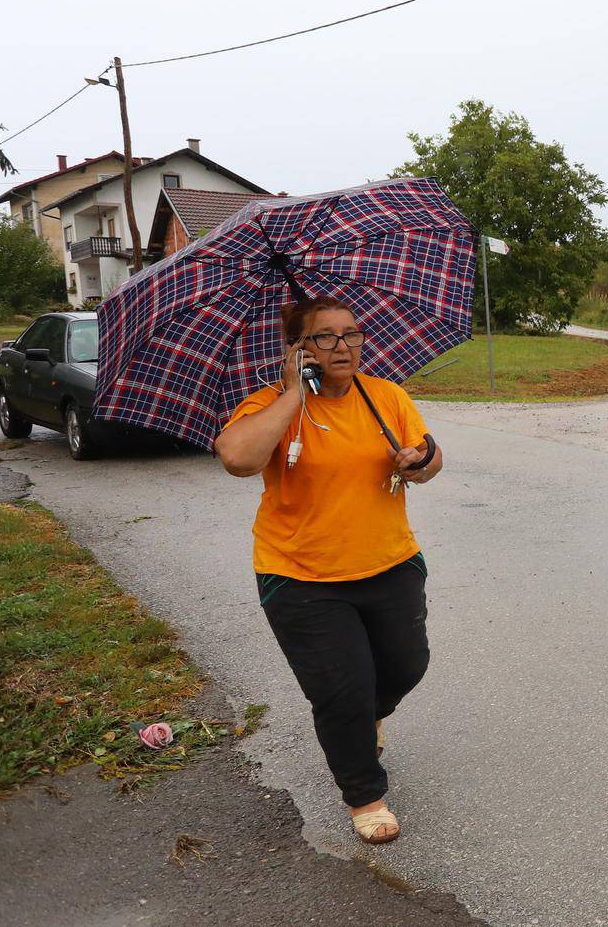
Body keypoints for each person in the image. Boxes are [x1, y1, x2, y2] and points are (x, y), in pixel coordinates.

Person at [216, 295, 444, 844]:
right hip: (301, 577)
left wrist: (419, 462)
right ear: (298, 349)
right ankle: (364, 794)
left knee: (408, 665)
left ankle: (368, 718)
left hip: (390, 563)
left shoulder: (384, 395)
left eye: (351, 333)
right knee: (342, 691)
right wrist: (294, 393)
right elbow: (238, 459)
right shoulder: (271, 403)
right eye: (325, 337)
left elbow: (431, 459)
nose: (343, 346)